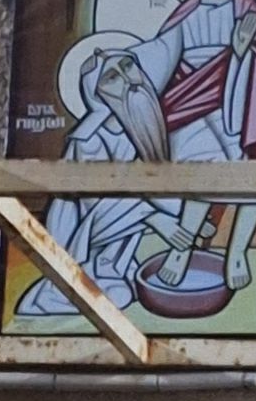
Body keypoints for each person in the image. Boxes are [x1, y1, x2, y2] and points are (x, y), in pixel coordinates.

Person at [135, 0, 256, 291]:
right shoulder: (183, 16)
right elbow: (160, 63)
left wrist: (240, 54)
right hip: (188, 108)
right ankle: (182, 249)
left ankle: (237, 252)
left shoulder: (248, 11)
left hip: (240, 105)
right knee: (201, 166)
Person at [16, 46, 193, 317]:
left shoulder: (142, 122)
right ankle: (71, 285)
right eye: (111, 77)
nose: (128, 79)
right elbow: (97, 209)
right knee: (118, 296)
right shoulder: (88, 140)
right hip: (80, 240)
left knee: (134, 287)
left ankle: (113, 269)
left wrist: (186, 214)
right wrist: (154, 218)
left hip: (114, 240)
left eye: (128, 65)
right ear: (97, 95)